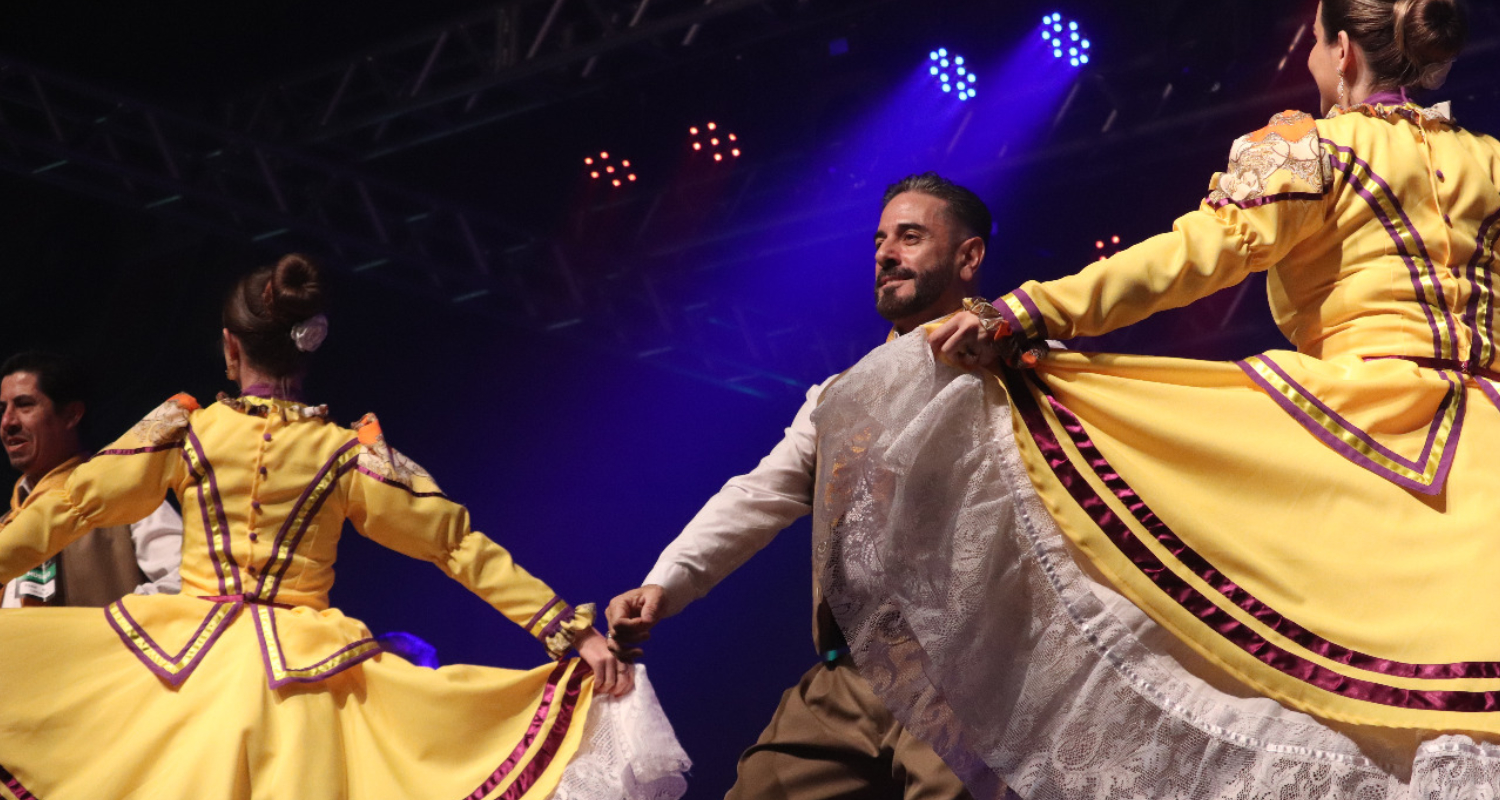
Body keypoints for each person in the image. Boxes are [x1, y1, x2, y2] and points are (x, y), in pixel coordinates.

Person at [814, 0, 1500, 798]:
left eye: (1313, 44)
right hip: (1485, 446)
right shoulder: (1488, 160)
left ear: (1342, 51)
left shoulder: (1310, 145)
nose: (1310, 59)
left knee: (1343, 687)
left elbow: (1195, 255)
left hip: (1360, 441)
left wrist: (1029, 310)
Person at [0, 254, 688, 800]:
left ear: (230, 347)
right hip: (301, 682)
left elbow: (65, 508)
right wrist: (567, 630)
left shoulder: (185, 431)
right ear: (307, 350)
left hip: (183, 666)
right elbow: (453, 545)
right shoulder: (348, 454)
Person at [607, 173, 991, 800]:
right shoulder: (839, 394)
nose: (886, 254)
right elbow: (761, 493)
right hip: (851, 675)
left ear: (968, 257)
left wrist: (1005, 334)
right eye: (879, 241)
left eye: (911, 237)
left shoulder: (1022, 367)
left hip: (967, 672)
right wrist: (665, 581)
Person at [0, 351, 182, 608]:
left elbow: (185, 581)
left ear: (72, 415)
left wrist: (111, 622)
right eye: (2, 409)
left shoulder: (122, 497)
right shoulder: (8, 527)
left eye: (24, 404)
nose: (7, 422)